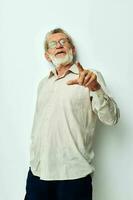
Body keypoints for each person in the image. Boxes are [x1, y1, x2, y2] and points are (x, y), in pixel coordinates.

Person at [24, 28, 120, 200]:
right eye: (53, 44)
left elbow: (112, 119)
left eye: (63, 42)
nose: (59, 46)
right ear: (47, 55)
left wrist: (95, 88)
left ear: (72, 49)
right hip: (38, 173)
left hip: (73, 176)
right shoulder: (43, 84)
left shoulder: (91, 77)